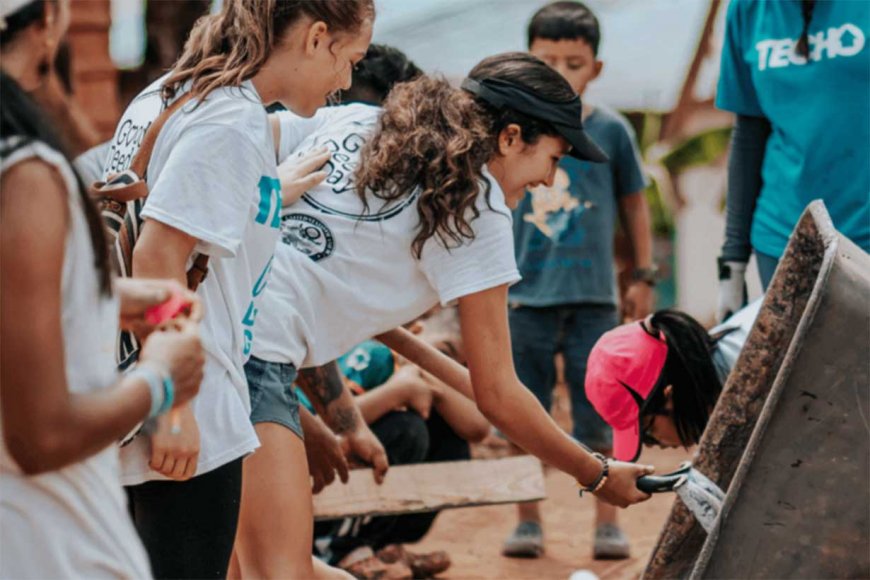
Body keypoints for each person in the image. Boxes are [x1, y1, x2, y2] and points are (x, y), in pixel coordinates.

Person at [252, 55, 655, 567]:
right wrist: (594, 473)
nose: (551, 181)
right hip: (255, 364)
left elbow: (242, 146)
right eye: (553, 159)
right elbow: (499, 394)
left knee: (247, 565)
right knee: (279, 569)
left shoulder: (362, 122)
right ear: (509, 138)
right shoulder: (478, 208)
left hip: (214, 330)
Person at [104, 1, 376, 578]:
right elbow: (157, 256)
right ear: (317, 38)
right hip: (185, 404)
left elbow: (173, 214)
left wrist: (269, 191)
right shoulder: (231, 119)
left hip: (131, 389)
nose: (346, 81)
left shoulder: (171, 93)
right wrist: (175, 409)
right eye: (349, 60)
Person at [0, 0, 205, 577]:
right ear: (47, 23)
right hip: (47, 541)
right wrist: (162, 381)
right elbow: (40, 436)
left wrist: (101, 301)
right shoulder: (24, 173)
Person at [502, 1, 654, 560]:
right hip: (523, 298)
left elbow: (635, 207)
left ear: (596, 68)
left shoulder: (612, 131)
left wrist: (641, 277)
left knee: (606, 412)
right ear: (527, 61)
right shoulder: (512, 132)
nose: (561, 72)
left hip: (594, 299)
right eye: (547, 61)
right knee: (523, 410)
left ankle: (608, 522)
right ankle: (527, 520)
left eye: (574, 62)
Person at [716, 0, 869, 320]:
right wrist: (732, 261)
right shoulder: (748, 10)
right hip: (784, 238)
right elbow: (748, 136)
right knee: (809, 367)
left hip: (863, 231)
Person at [310, 330, 490, 578]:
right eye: (442, 352)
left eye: (453, 362)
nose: (442, 362)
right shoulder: (372, 354)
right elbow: (315, 430)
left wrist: (428, 375)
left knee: (451, 439)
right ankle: (334, 550)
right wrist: (397, 391)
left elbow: (477, 427)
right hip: (310, 480)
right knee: (406, 429)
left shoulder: (416, 368)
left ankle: (379, 546)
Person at [585, 299, 761, 462]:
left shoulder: (756, 372)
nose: (652, 444)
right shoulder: (715, 365)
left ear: (670, 395)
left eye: (648, 431)